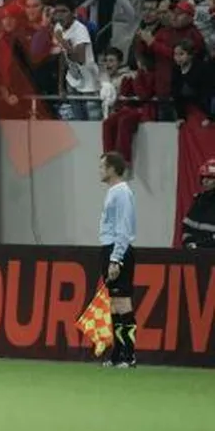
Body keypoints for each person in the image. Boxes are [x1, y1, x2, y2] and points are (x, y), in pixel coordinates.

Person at [98, 151, 137, 368]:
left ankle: (129, 355)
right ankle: (117, 352)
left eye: (102, 166)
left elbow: (124, 226)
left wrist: (116, 258)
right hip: (108, 247)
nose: (100, 171)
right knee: (113, 303)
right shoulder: (113, 192)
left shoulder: (122, 192)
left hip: (117, 249)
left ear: (112, 168)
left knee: (122, 301)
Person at [182, 161, 215, 249]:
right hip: (195, 252)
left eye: (210, 178)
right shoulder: (199, 201)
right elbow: (187, 227)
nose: (205, 181)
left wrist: (200, 245)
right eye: (203, 177)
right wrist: (189, 242)